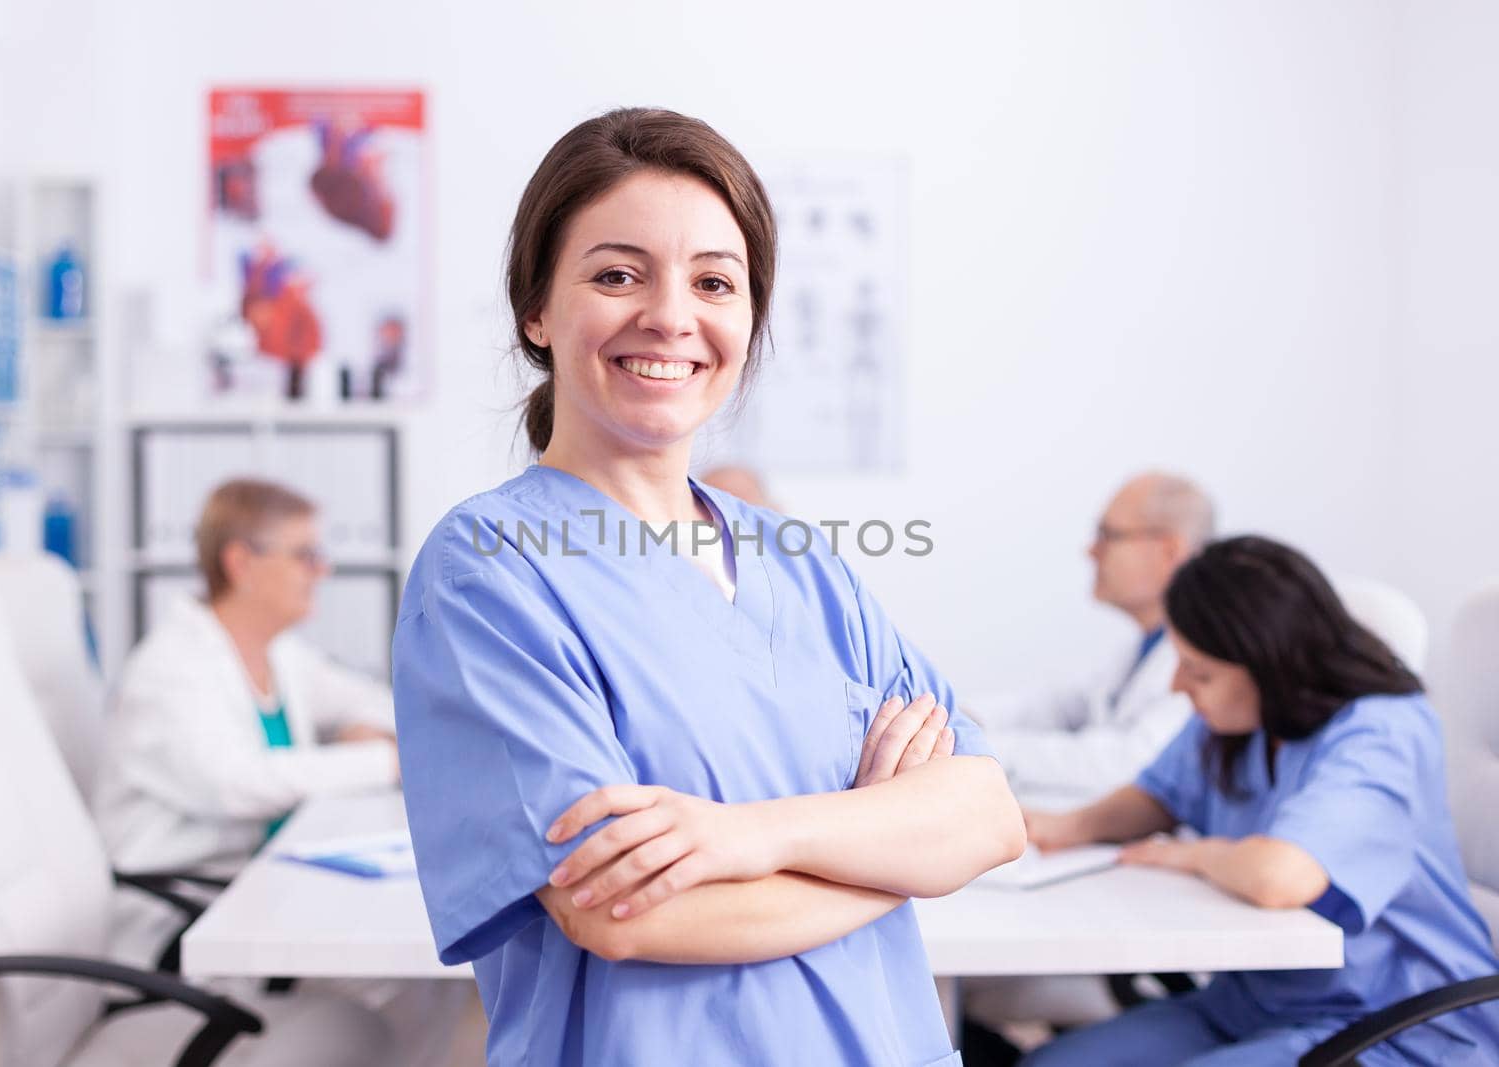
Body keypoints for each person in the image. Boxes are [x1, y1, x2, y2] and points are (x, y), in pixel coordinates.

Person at [392, 107, 1024, 1067]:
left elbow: (987, 817)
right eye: (616, 274)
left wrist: (740, 839)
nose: (670, 316)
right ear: (535, 308)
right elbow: (619, 913)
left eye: (714, 282)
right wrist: (889, 864)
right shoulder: (488, 570)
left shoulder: (804, 564)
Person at [1021, 536, 1499, 1066]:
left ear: (1272, 667)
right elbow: (1159, 796)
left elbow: (1281, 876)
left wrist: (1193, 855)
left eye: (1199, 671)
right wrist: (1062, 827)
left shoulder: (1381, 732)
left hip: (1397, 1023)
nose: (1180, 686)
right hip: (1256, 1004)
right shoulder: (1235, 722)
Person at [96, 478, 400, 880]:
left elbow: (370, 701)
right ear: (241, 563)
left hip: (261, 877)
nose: (323, 570)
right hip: (187, 907)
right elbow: (237, 784)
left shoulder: (279, 653)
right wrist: (388, 762)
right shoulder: (171, 667)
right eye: (305, 555)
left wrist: (366, 730)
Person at [970, 472, 1213, 797]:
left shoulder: (1206, 659)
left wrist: (970, 744)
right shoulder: (1140, 648)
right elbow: (1060, 706)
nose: (1091, 551)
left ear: (1169, 552)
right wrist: (961, 716)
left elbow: (1127, 762)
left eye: (1108, 535)